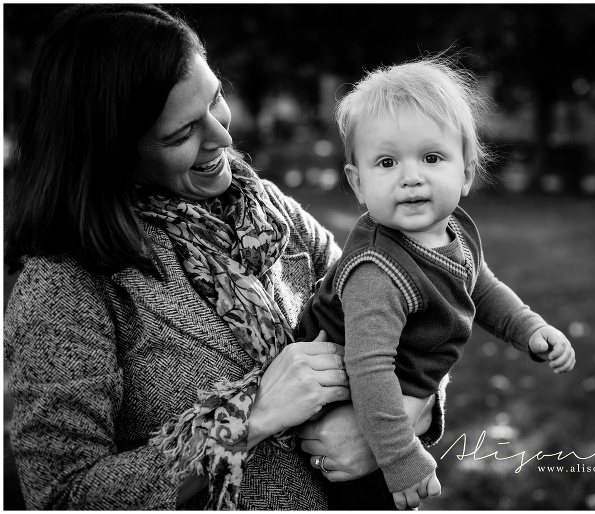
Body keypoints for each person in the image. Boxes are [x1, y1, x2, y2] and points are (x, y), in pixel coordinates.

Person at [3, 4, 442, 510]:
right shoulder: (64, 287)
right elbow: (64, 497)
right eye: (181, 134)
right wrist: (249, 419)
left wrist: (399, 421)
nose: (223, 137)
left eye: (215, 99)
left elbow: (412, 312)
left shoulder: (269, 210)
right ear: (113, 152)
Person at [296, 57, 576, 510]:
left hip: (396, 404)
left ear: (465, 173)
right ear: (358, 184)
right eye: (387, 162)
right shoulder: (377, 273)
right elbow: (370, 372)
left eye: (431, 157)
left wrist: (527, 327)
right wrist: (401, 458)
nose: (411, 176)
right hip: (347, 418)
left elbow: (478, 284)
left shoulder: (454, 232)